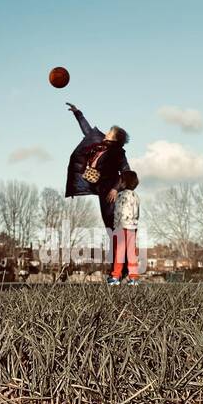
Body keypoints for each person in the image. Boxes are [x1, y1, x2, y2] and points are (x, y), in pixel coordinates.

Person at [64, 103, 130, 232]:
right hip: (101, 187)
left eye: (110, 132)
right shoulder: (98, 142)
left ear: (115, 138)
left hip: (110, 190)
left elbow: (126, 172)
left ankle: (120, 248)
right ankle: (115, 247)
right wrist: (78, 113)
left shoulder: (118, 152)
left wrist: (116, 189)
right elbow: (87, 130)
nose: (107, 132)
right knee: (107, 221)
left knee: (112, 221)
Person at [108, 170, 140, 285]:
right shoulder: (136, 196)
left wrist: (115, 226)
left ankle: (115, 276)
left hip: (121, 227)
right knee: (132, 253)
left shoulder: (120, 195)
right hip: (132, 227)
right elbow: (137, 213)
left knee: (119, 253)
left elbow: (117, 212)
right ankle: (134, 277)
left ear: (124, 182)